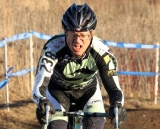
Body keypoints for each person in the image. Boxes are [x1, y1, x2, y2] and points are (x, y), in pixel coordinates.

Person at [32, 3, 127, 129]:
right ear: (65, 32)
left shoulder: (101, 51)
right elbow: (39, 86)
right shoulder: (53, 48)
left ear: (92, 34)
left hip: (88, 91)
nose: (77, 41)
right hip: (58, 91)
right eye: (73, 35)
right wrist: (42, 102)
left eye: (83, 35)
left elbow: (115, 89)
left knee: (95, 125)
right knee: (56, 126)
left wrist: (117, 105)